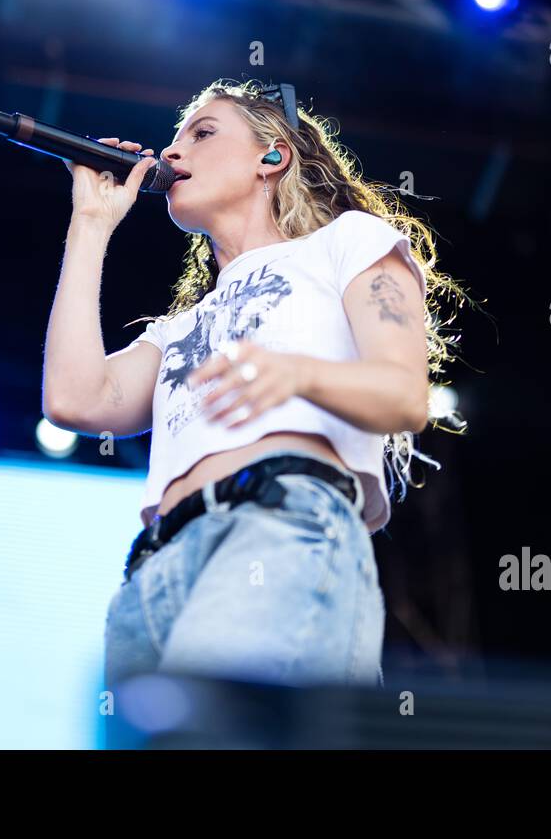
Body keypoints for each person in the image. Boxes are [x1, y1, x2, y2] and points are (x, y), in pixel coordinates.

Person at [42, 79, 472, 689]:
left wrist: (295, 373)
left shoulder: (347, 244)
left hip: (276, 526)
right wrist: (90, 224)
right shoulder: (178, 328)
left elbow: (404, 397)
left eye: (202, 132)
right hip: (156, 564)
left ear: (273, 155)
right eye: (173, 139)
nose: (170, 153)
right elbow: (74, 399)